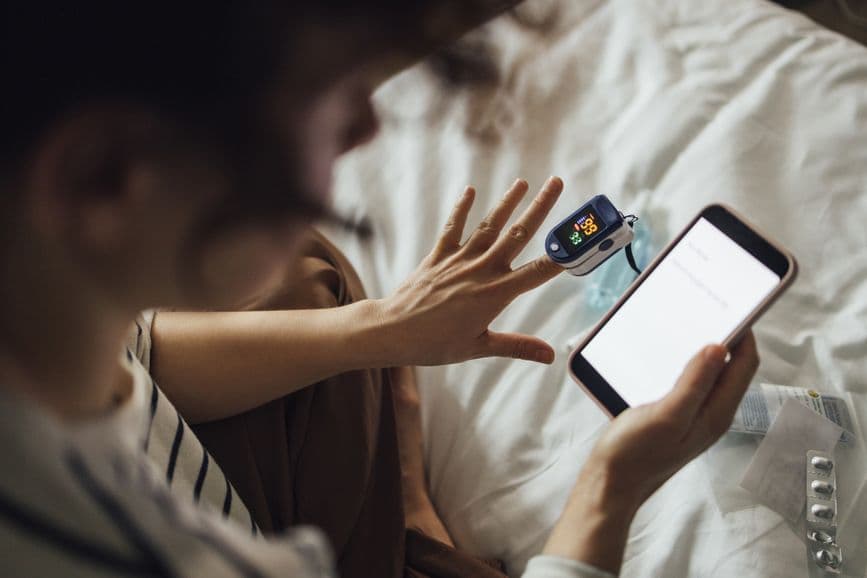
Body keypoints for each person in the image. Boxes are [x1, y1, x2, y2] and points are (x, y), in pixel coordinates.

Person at [0, 1, 759, 577]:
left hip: (185, 465)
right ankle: (415, 541)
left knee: (306, 268)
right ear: (99, 176)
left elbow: (142, 359)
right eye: (319, 95)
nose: (367, 128)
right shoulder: (139, 552)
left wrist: (382, 328)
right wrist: (610, 484)